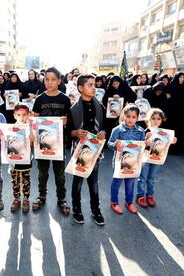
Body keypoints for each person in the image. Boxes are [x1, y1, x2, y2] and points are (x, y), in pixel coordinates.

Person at [32, 67, 71, 215]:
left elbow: (69, 121)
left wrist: (65, 121)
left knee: (59, 174)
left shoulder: (65, 99)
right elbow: (34, 120)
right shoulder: (40, 99)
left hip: (59, 144)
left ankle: (61, 199)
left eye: (53, 79)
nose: (49, 82)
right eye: (47, 79)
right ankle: (41, 196)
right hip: (42, 144)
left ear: (59, 81)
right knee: (42, 172)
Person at [67, 74, 106, 225]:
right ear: (80, 88)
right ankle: (76, 209)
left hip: (95, 152)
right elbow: (68, 132)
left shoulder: (100, 107)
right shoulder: (73, 109)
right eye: (90, 85)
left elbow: (105, 126)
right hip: (79, 151)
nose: (94, 87)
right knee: (77, 182)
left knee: (93, 183)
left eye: (94, 84)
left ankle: (95, 210)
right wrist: (75, 132)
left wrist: (103, 132)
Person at [108, 104, 146, 214]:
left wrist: (145, 144)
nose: (130, 119)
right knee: (117, 182)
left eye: (134, 117)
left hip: (133, 162)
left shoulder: (140, 131)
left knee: (130, 182)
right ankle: (114, 202)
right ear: (124, 116)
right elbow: (109, 144)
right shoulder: (117, 130)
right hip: (119, 162)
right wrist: (115, 144)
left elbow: (142, 147)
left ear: (137, 118)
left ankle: (129, 202)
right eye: (128, 116)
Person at [136, 108, 176, 208]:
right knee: (143, 178)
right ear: (148, 120)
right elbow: (139, 145)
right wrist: (146, 139)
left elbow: (167, 143)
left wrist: (173, 140)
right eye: (153, 118)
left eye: (158, 119)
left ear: (161, 120)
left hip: (157, 158)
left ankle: (150, 195)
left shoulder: (164, 133)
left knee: (151, 178)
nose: (156, 121)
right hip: (145, 158)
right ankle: (140, 196)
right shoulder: (145, 131)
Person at [8, 104, 33, 213]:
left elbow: (33, 145)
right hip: (14, 160)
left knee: (26, 179)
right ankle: (17, 199)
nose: (21, 117)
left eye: (24, 115)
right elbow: (6, 142)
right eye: (18, 115)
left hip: (26, 159)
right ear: (14, 115)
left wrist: (32, 139)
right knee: (15, 180)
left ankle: (26, 199)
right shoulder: (10, 128)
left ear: (28, 115)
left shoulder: (30, 128)